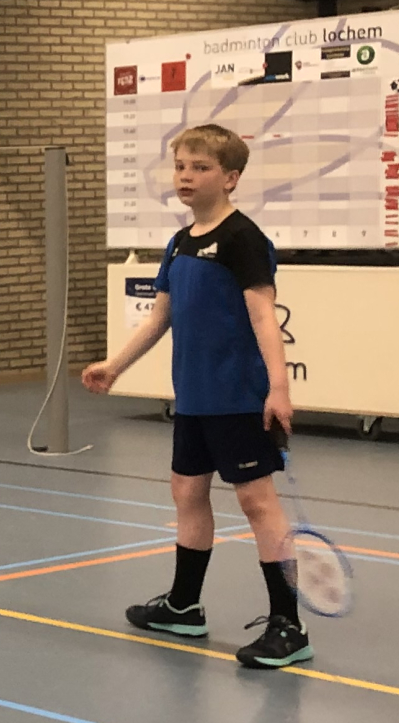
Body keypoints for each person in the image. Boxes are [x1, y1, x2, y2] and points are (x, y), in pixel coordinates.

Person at [81, 122, 309, 669]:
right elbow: (160, 317)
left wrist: (278, 389)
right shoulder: (180, 242)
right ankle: (184, 606)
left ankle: (289, 625)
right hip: (193, 398)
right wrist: (114, 366)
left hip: (238, 397)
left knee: (256, 503)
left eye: (201, 167)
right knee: (187, 493)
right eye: (181, 166)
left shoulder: (243, 239)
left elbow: (264, 317)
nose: (186, 176)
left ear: (230, 177)